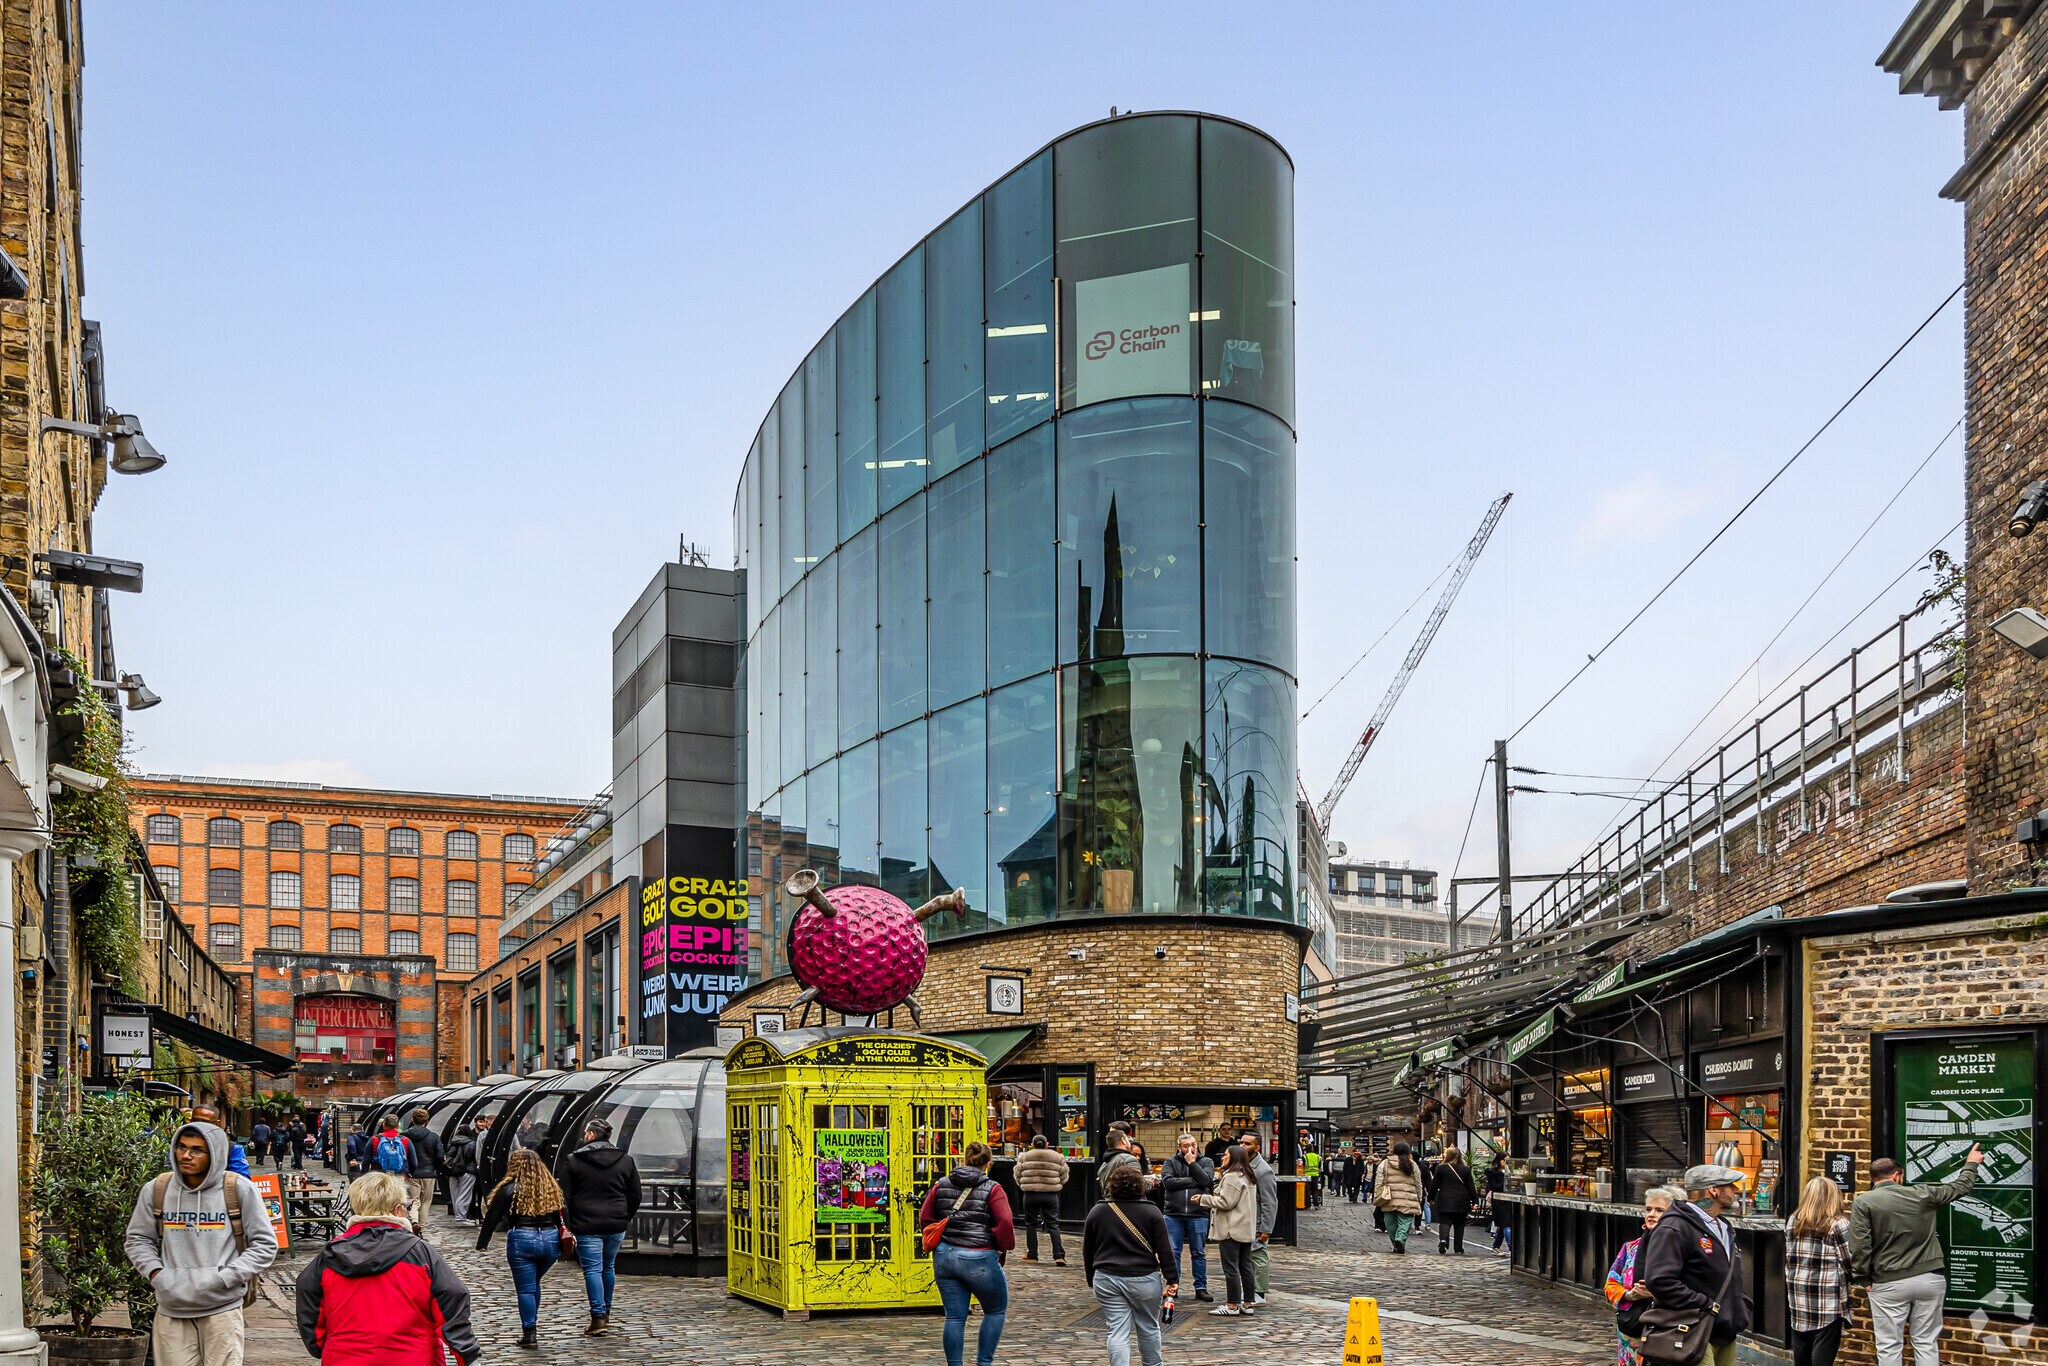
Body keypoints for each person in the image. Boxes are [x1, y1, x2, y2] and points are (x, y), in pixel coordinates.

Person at [124, 1120, 278, 1366]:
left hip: (222, 1308)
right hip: (172, 1307)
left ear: (214, 1154)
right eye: (181, 1147)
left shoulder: (238, 1189)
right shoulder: (157, 1189)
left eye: (197, 1149)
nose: (186, 1155)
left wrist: (225, 1278)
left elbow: (265, 1244)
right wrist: (157, 1274)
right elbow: (138, 1239)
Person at [294, 1172, 480, 1366]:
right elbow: (451, 1301)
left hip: (345, 1357)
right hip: (413, 1358)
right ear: (398, 1209)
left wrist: (320, 1345)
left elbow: (308, 1298)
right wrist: (467, 1355)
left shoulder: (328, 1257)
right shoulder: (420, 1253)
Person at [1849, 1143, 1983, 1366]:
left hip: (1887, 1281)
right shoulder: (1923, 1194)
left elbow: (1860, 1245)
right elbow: (1960, 1187)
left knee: (1889, 1345)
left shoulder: (1864, 1202)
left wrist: (1863, 1278)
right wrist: (1971, 1163)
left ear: (1873, 1179)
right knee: (1926, 1341)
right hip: (1929, 1278)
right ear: (1896, 1175)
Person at [1639, 1164, 1754, 1366]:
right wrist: (1705, 1304)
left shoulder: (1723, 1226)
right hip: (1690, 1329)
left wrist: (1739, 1304)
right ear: (1714, 1190)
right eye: (1730, 1185)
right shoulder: (1674, 1227)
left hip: (1724, 1330)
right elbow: (1660, 1280)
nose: (1735, 1190)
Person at [916, 1141, 1013, 1366]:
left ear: (964, 1159)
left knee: (955, 1317)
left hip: (946, 1257)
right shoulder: (993, 1188)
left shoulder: (941, 1185)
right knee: (995, 1310)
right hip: (979, 1256)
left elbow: (925, 1218)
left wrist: (940, 1242)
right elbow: (1005, 1222)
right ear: (987, 1164)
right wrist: (1001, 1246)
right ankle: (983, 1362)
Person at [1083, 1161, 1176, 1366]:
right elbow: (1164, 1250)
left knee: (1116, 1330)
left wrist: (1091, 1277)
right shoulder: (1152, 1212)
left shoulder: (1098, 1211)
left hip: (1106, 1276)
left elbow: (1088, 1249)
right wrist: (1172, 1278)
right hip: (1143, 1278)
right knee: (1148, 1327)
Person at [477, 1146, 567, 1350]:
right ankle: (531, 1322)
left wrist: (483, 1242)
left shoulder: (509, 1188)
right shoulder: (550, 1187)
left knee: (525, 1288)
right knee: (535, 1282)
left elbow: (493, 1217)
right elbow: (562, 1216)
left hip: (522, 1238)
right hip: (549, 1238)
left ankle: (530, 1332)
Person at [560, 1117, 642, 1336]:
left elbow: (564, 1197)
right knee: (608, 1266)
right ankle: (605, 1312)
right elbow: (635, 1195)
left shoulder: (573, 1160)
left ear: (590, 1135)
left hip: (585, 1223)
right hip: (616, 1221)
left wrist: (569, 1224)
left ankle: (598, 1317)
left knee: (593, 1269)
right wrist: (624, 1216)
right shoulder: (626, 1160)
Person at [1603, 1186, 1679, 1366]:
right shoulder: (1631, 1248)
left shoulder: (1682, 1248)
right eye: (1648, 1209)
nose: (1651, 1214)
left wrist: (1657, 1292)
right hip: (1632, 1330)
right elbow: (1610, 1284)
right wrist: (1630, 1295)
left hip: (1669, 1330)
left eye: (1659, 1210)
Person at [1785, 1176, 1852, 1366]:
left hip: (1798, 1293)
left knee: (1802, 1347)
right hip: (1827, 1297)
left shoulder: (1793, 1221)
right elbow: (1849, 1261)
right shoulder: (1838, 1224)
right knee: (1824, 1350)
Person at [1192, 1146, 1258, 1316]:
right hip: (1244, 1227)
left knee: (1231, 1268)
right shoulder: (1248, 1176)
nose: (1222, 1158)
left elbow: (1225, 1202)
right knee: (1245, 1266)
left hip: (1231, 1228)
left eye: (1226, 1155)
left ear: (1234, 1157)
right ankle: (1248, 1303)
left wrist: (1203, 1199)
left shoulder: (1232, 1177)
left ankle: (1232, 1304)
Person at [1158, 1133, 1214, 1302]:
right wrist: (1193, 1180)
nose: (1190, 1149)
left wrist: (1192, 1164)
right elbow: (1168, 1182)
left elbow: (1206, 1181)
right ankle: (1173, 1285)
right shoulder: (1171, 1162)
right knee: (1173, 1251)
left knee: (1198, 1252)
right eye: (1186, 1146)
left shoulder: (1206, 1162)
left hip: (1198, 1214)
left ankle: (1201, 1287)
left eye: (1193, 1145)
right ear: (1179, 1147)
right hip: (1173, 1214)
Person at [1013, 1134, 1071, 1266]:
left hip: (1030, 1194)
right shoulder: (1058, 1157)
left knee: (1030, 1224)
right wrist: (1057, 1184)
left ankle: (1032, 1254)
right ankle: (1059, 1255)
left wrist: (1022, 1184)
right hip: (1050, 1194)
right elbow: (1064, 1175)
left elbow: (1017, 1174)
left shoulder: (1023, 1156)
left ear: (1032, 1144)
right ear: (1047, 1144)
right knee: (1053, 1224)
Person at [1241, 1133, 1279, 1306]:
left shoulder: (1263, 1171)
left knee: (1258, 1255)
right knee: (1247, 1257)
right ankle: (1249, 1289)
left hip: (1256, 1222)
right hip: (1245, 1221)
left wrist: (1266, 1229)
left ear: (1257, 1148)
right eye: (1241, 1142)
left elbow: (1269, 1202)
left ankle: (1259, 1293)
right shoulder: (1242, 1164)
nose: (1242, 1146)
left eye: (1247, 1144)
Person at [1371, 1142, 1425, 1252]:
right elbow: (1418, 1182)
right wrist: (1419, 1196)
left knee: (1390, 1223)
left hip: (1389, 1198)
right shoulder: (1412, 1164)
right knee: (1405, 1221)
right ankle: (1400, 1239)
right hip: (1407, 1198)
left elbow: (1379, 1181)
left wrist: (1377, 1194)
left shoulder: (1385, 1163)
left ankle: (1396, 1243)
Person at [400, 1107, 445, 1233]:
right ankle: (421, 1226)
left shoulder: (404, 1136)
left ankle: (414, 1221)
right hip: (429, 1174)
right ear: (427, 1121)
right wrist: (435, 1167)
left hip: (411, 1174)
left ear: (413, 1120)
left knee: (414, 1200)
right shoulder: (434, 1137)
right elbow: (440, 1156)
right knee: (426, 1202)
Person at [1429, 1148, 1478, 1254]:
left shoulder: (1441, 1168)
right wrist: (1475, 1201)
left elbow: (1434, 1185)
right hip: (1461, 1200)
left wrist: (1430, 1198)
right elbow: (1471, 1187)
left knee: (1445, 1221)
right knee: (1459, 1224)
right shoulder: (1466, 1169)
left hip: (1445, 1200)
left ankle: (1443, 1240)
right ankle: (1458, 1248)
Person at [185, 1106, 252, 1177]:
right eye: (195, 1120)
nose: (199, 1125)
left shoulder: (232, 1149)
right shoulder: (181, 1145)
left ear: (216, 1124)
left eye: (205, 1122)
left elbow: (242, 1180)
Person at [444, 1117, 483, 1225]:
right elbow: (473, 1157)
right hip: (467, 1171)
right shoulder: (471, 1143)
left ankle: (458, 1214)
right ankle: (461, 1216)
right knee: (464, 1194)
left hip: (452, 1171)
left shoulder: (453, 1142)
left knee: (455, 1194)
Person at [371, 1114, 419, 1190]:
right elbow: (414, 1163)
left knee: (380, 1200)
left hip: (378, 1178)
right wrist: (408, 1175)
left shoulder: (374, 1139)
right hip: (399, 1177)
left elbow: (365, 1161)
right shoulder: (405, 1140)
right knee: (397, 1200)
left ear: (384, 1125)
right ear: (398, 1126)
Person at [1485, 1155, 1512, 1255]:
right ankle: (1511, 1247)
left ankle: (1496, 1246)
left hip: (1508, 1200)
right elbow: (1494, 1186)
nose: (1506, 1162)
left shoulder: (1508, 1171)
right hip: (1499, 1200)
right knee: (1506, 1225)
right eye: (1505, 1160)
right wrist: (1506, 1182)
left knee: (1503, 1224)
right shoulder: (1492, 1172)